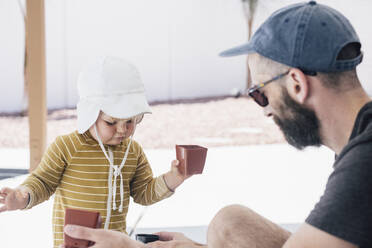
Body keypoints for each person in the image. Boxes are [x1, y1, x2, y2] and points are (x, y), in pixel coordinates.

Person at [61, 1, 372, 247]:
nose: (264, 111)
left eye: (259, 93)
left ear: (297, 84)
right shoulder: (359, 140)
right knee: (231, 223)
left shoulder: (365, 163)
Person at [0, 56, 191, 248]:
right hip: (73, 244)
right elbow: (43, 182)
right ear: (90, 114)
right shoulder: (67, 146)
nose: (122, 130)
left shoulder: (132, 151)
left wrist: (173, 178)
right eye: (111, 122)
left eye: (130, 121)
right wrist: (22, 196)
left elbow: (144, 193)